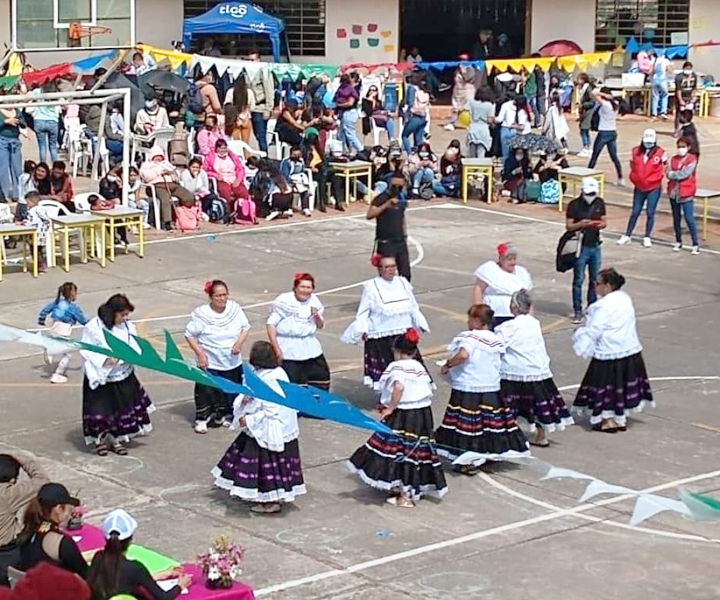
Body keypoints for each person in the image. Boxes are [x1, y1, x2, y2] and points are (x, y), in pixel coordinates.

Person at [347, 329, 447, 508]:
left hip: (404, 413)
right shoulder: (419, 366)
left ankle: (405, 494)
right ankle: (408, 488)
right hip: (423, 413)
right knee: (415, 450)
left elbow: (399, 387)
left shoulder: (397, 367)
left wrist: (390, 408)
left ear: (398, 351)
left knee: (395, 448)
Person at [212, 341, 305, 514]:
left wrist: (250, 419)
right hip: (267, 423)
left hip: (272, 426)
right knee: (255, 457)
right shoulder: (265, 374)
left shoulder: (273, 377)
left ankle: (271, 501)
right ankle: (262, 494)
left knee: (267, 462)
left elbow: (272, 407)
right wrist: (245, 400)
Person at [435, 304, 529, 471]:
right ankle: (488, 453)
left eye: (470, 319)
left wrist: (448, 364)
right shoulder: (495, 339)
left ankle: (469, 460)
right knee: (489, 424)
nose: (468, 322)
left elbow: (463, 355)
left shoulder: (471, 338)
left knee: (468, 426)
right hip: (490, 387)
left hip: (469, 387)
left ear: (477, 321)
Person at [572, 268, 654, 433]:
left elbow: (595, 330)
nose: (595, 286)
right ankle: (620, 418)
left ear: (607, 286)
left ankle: (608, 419)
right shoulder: (624, 298)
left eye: (598, 283)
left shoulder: (601, 306)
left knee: (607, 387)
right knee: (621, 386)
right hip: (629, 348)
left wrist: (579, 337)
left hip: (609, 352)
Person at [80, 294, 154, 456]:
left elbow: (134, 344)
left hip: (122, 375)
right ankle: (99, 440)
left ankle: (116, 439)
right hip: (102, 377)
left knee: (118, 410)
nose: (125, 318)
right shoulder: (94, 326)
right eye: (122, 315)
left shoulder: (127, 326)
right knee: (100, 410)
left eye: (126, 315)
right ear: (112, 312)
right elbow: (85, 348)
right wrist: (104, 359)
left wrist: (133, 354)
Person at [496, 291, 573, 447]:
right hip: (538, 370)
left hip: (515, 371)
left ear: (514, 307)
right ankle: (540, 435)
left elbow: (498, 346)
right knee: (538, 404)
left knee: (507, 405)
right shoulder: (534, 323)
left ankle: (508, 435)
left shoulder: (507, 327)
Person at [341, 256, 429, 388]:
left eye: (393, 266)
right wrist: (362, 329)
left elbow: (413, 306)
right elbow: (363, 312)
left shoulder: (403, 283)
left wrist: (419, 323)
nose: (391, 270)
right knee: (387, 370)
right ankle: (388, 399)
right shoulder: (371, 286)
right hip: (380, 336)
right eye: (387, 267)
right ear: (380, 269)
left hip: (402, 333)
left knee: (407, 366)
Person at [185, 280, 250, 434]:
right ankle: (202, 419)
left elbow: (245, 327)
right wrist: (200, 354)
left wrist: (238, 344)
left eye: (224, 295)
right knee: (206, 390)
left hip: (232, 361)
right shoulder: (202, 314)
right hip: (211, 361)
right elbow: (190, 335)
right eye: (218, 296)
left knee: (231, 389)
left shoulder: (234, 308)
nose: (222, 298)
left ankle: (227, 414)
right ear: (211, 297)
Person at [87, 509, 190, 599]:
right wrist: (180, 585)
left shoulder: (98, 557)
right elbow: (163, 597)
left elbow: (120, 577)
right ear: (130, 539)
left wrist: (160, 575)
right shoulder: (134, 568)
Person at [267, 273, 330, 391]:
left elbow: (320, 325)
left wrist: (316, 316)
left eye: (309, 287)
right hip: (289, 350)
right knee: (293, 386)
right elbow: (271, 324)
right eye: (302, 287)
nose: (305, 291)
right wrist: (276, 349)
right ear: (295, 288)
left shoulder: (314, 301)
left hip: (311, 348)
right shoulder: (284, 301)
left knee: (320, 381)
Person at [17, 483, 86, 577]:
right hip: (54, 589)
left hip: (32, 587)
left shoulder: (29, 532)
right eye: (67, 508)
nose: (68, 514)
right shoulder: (61, 543)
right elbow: (84, 573)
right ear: (58, 509)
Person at [0, 453, 48, 586]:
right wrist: (25, 460)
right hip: (5, 555)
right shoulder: (7, 494)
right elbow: (42, 481)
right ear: (12, 481)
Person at [566, 177, 607, 324]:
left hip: (595, 245)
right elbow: (569, 226)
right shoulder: (574, 205)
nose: (591, 197)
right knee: (578, 279)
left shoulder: (599, 203)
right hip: (581, 247)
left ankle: (591, 307)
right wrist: (580, 224)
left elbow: (604, 221)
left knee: (594, 279)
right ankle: (577, 310)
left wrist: (597, 224)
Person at [617, 128, 667, 247]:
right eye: (646, 141)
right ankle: (627, 235)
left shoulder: (661, 153)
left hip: (653, 187)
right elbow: (633, 166)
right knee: (635, 211)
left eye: (651, 142)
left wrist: (660, 176)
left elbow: (666, 166)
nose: (648, 144)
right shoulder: (635, 151)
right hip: (639, 187)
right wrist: (634, 178)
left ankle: (647, 236)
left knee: (650, 212)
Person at [37, 282, 88, 384]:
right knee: (67, 355)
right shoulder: (73, 308)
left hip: (54, 328)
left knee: (55, 344)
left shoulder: (57, 303)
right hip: (64, 332)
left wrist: (41, 319)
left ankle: (49, 350)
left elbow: (44, 310)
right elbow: (83, 320)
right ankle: (57, 374)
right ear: (72, 294)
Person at [472, 243, 533, 328]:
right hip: (494, 316)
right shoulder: (490, 270)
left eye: (514, 259)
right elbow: (478, 289)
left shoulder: (521, 273)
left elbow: (526, 299)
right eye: (509, 259)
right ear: (501, 259)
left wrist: (529, 318)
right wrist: (478, 313)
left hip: (516, 316)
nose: (513, 262)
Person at [139, 146, 195, 230]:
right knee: (165, 200)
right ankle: (167, 222)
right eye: (156, 156)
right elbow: (146, 176)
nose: (159, 158)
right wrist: (159, 172)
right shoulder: (147, 165)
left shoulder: (166, 164)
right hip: (158, 185)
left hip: (172, 184)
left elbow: (177, 174)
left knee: (188, 196)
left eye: (160, 156)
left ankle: (184, 215)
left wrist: (172, 173)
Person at [367, 175, 411, 280]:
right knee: (386, 273)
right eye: (394, 186)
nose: (397, 189)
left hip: (400, 241)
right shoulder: (381, 198)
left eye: (400, 187)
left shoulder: (401, 198)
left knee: (405, 274)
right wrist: (385, 206)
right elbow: (369, 215)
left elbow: (402, 216)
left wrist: (405, 234)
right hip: (386, 242)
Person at [667, 137, 699, 254]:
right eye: (679, 147)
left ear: (688, 147)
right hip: (674, 193)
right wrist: (672, 174)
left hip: (686, 193)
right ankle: (678, 241)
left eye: (683, 147)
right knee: (676, 219)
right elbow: (667, 172)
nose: (680, 149)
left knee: (689, 218)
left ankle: (695, 243)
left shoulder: (692, 160)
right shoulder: (673, 159)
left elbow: (684, 174)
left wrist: (673, 174)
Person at [587, 87, 624, 186]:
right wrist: (608, 96)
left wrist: (603, 95)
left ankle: (586, 175)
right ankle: (620, 177)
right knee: (614, 157)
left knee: (595, 155)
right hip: (612, 132)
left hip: (603, 132)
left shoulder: (605, 104)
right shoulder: (615, 103)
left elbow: (593, 93)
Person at [203, 139, 249, 216]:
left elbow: (240, 168)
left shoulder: (232, 156)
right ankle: (227, 212)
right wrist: (215, 175)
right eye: (220, 148)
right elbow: (205, 170)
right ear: (216, 148)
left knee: (243, 191)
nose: (222, 150)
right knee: (225, 191)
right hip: (221, 179)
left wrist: (238, 180)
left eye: (224, 148)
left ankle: (244, 212)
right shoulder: (211, 157)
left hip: (233, 178)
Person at [247, 50, 275, 153]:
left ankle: (265, 157)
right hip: (250, 108)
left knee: (261, 135)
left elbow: (269, 91)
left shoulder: (264, 71)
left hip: (260, 107)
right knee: (256, 134)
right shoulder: (247, 72)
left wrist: (268, 109)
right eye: (249, 60)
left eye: (253, 60)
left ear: (258, 60)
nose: (251, 62)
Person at [0, 102, 27, 202]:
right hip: (2, 141)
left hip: (15, 141)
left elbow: (24, 124)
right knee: (2, 169)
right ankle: (4, 194)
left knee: (17, 169)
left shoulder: (16, 111)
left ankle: (18, 194)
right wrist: (6, 121)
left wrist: (20, 121)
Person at [29, 83, 60, 164]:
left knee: (42, 146)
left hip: (39, 120)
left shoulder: (38, 91)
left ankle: (43, 166)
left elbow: (28, 96)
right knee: (53, 147)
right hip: (52, 121)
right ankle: (55, 167)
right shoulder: (56, 93)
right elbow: (64, 104)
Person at [334, 74, 364, 155]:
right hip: (344, 113)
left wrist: (338, 105)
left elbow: (350, 103)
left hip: (350, 112)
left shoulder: (353, 90)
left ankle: (361, 150)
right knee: (341, 134)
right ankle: (340, 151)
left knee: (350, 133)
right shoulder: (342, 89)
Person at [280, 146, 312, 217]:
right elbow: (285, 174)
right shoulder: (286, 162)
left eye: (298, 155)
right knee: (291, 189)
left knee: (305, 189)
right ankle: (289, 208)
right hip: (289, 180)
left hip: (299, 179)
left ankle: (305, 208)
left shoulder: (301, 161)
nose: (297, 157)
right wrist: (291, 182)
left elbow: (302, 170)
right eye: (295, 155)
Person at [445, 61, 477, 131]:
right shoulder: (457, 69)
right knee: (455, 107)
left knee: (468, 107)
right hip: (458, 90)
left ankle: (470, 124)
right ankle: (452, 123)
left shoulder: (471, 69)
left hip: (467, 90)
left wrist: (463, 71)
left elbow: (467, 78)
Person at [497, 95, 530, 161]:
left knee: (507, 152)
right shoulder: (524, 110)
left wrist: (512, 125)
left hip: (516, 132)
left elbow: (521, 126)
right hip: (521, 133)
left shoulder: (521, 112)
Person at [23, 192, 50, 273]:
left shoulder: (33, 211)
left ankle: (39, 267)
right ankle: (43, 266)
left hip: (35, 234)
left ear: (32, 202)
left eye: (28, 202)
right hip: (42, 234)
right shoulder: (41, 209)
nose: (27, 204)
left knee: (35, 251)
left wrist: (24, 223)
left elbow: (32, 222)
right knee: (41, 251)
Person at [224, 75, 254, 145]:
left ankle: (238, 155)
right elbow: (252, 107)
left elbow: (227, 104)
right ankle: (246, 155)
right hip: (246, 119)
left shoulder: (231, 91)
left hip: (234, 119)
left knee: (236, 143)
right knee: (246, 144)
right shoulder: (249, 92)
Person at [401, 80, 430, 154]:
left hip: (414, 116)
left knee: (404, 136)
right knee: (418, 139)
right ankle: (419, 155)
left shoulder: (414, 91)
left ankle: (409, 154)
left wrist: (406, 115)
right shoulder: (426, 95)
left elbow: (410, 103)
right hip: (423, 117)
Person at [466, 86, 495, 158]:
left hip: (473, 128)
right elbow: (490, 120)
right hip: (483, 129)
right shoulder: (489, 105)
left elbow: (464, 111)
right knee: (481, 154)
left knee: (472, 154)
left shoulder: (472, 103)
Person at [576, 73, 594, 157]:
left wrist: (583, 105)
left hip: (587, 112)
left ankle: (586, 147)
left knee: (584, 130)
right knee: (583, 130)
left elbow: (592, 102)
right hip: (583, 112)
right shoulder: (582, 88)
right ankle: (587, 147)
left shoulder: (587, 89)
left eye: (579, 79)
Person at [674, 61, 697, 128]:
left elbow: (694, 88)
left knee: (689, 113)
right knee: (679, 114)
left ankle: (687, 128)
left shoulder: (694, 76)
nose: (688, 70)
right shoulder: (679, 77)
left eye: (689, 68)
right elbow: (678, 89)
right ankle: (677, 130)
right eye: (687, 68)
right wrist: (680, 100)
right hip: (681, 96)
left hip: (689, 96)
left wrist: (693, 97)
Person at [651, 52, 671, 120]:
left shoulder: (654, 60)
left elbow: (652, 70)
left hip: (655, 80)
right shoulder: (666, 60)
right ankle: (663, 112)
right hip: (662, 80)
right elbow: (669, 70)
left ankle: (654, 113)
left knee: (655, 96)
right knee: (664, 95)